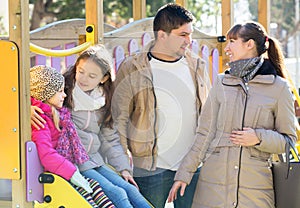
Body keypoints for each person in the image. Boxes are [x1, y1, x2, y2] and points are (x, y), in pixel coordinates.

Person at [167, 21, 298, 208]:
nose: (226, 48)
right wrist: (184, 174)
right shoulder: (221, 83)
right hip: (213, 189)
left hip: (255, 191)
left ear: (249, 44)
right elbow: (204, 134)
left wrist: (258, 138)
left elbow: (288, 141)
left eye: (232, 41)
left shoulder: (278, 87)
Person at [111, 3, 211, 208]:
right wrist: (123, 166)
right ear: (162, 35)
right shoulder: (132, 66)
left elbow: (209, 116)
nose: (189, 41)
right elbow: (118, 119)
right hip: (150, 170)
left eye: (190, 34)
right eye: (182, 34)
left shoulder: (198, 65)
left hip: (191, 168)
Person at [31, 45, 152, 208]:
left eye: (92, 76)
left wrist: (123, 169)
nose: (83, 79)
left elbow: (110, 138)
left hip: (94, 159)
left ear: (103, 79)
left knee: (130, 190)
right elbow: (34, 90)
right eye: (80, 71)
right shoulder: (62, 92)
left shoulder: (103, 100)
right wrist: (26, 108)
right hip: (74, 160)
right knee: (117, 193)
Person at [30, 65, 115, 208]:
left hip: (63, 171)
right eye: (59, 91)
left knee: (95, 187)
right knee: (87, 197)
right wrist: (72, 173)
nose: (64, 95)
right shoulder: (41, 120)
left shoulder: (57, 114)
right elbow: (46, 154)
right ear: (45, 94)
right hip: (56, 177)